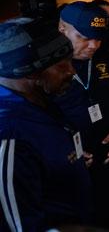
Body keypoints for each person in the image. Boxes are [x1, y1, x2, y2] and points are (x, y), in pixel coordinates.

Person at [0, 18, 94, 230]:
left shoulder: (42, 100)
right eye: (62, 65)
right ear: (30, 72)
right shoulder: (10, 133)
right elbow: (19, 225)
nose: (72, 71)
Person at [55, 1, 109, 228]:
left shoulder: (106, 58)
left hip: (105, 155)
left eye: (98, 37)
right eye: (84, 37)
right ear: (62, 28)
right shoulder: (47, 70)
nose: (93, 44)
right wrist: (62, 149)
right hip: (67, 164)